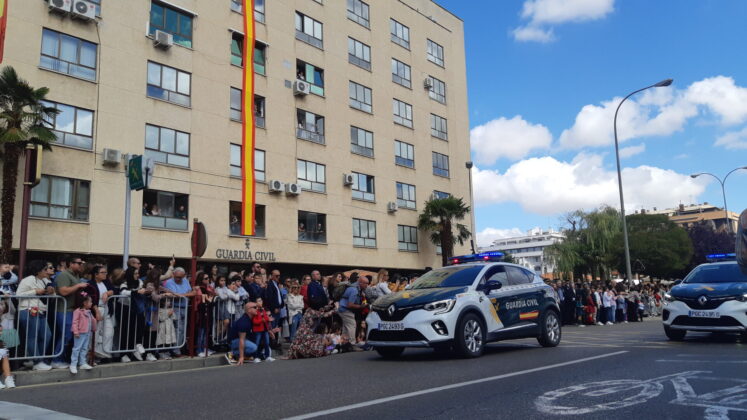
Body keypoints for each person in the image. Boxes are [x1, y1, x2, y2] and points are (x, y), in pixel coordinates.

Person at [16, 260, 56, 370]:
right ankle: (37, 361)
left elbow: (51, 296)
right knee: (32, 337)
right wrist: (34, 291)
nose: (47, 271)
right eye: (45, 269)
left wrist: (52, 292)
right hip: (28, 310)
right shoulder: (28, 280)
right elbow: (18, 295)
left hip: (41, 311)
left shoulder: (43, 281)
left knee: (47, 336)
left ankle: (36, 359)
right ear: (38, 270)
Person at [52, 256, 88, 369]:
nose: (81, 265)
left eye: (81, 263)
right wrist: (78, 285)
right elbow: (63, 291)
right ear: (70, 264)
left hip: (72, 310)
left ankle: (63, 358)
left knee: (70, 336)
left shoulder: (76, 275)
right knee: (65, 335)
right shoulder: (63, 275)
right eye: (78, 263)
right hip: (63, 310)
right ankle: (56, 360)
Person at [163, 268, 195, 356]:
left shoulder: (185, 281)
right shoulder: (169, 282)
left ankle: (178, 349)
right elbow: (174, 295)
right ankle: (175, 350)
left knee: (182, 329)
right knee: (178, 329)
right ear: (173, 275)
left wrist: (181, 295)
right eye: (177, 277)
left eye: (180, 277)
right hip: (175, 307)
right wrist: (183, 295)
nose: (178, 279)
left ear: (184, 276)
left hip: (185, 307)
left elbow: (192, 293)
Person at [90, 265, 114, 359]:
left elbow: (113, 290)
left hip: (106, 309)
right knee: (95, 334)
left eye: (106, 272)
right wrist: (96, 311)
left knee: (109, 332)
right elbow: (90, 299)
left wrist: (107, 293)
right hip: (97, 309)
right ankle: (93, 354)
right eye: (103, 272)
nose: (105, 274)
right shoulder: (91, 284)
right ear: (96, 274)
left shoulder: (106, 282)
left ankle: (104, 354)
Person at [70, 291, 96, 374]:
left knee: (85, 348)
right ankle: (73, 364)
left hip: (87, 332)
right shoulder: (77, 311)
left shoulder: (89, 311)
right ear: (85, 303)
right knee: (77, 348)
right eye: (90, 302)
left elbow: (92, 321)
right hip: (80, 333)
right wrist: (76, 331)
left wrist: (94, 328)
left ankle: (82, 363)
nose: (91, 303)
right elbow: (75, 322)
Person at [338, 276, 369, 343]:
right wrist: (361, 306)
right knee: (352, 325)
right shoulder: (354, 290)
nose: (367, 285)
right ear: (360, 283)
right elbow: (350, 305)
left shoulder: (355, 288)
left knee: (346, 328)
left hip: (342, 309)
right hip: (346, 310)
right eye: (366, 283)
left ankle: (343, 343)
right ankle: (352, 344)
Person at [252, 297, 274, 362]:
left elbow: (266, 317)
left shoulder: (263, 309)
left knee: (267, 343)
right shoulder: (255, 310)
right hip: (258, 329)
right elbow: (254, 321)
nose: (260, 302)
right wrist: (262, 320)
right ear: (255, 303)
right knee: (257, 343)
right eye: (258, 301)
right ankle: (255, 357)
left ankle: (267, 356)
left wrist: (267, 319)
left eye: (261, 300)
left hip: (265, 328)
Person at [0, 323, 16, 389]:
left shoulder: (1, 342)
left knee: (4, 353)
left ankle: (8, 378)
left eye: (1, 331)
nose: (1, 333)